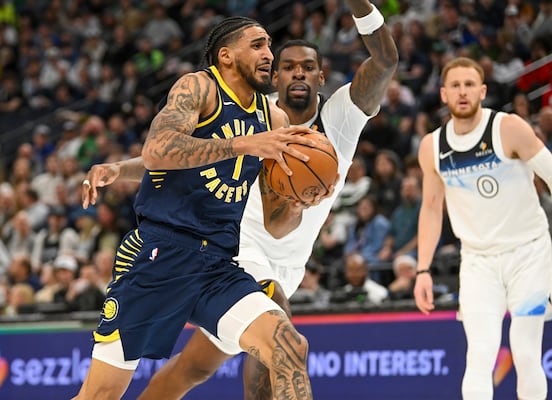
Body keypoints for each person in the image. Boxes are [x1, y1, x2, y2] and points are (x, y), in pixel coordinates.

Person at [81, 2, 398, 399]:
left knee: (283, 347)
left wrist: (301, 196)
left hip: (219, 261)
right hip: (165, 254)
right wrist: (121, 168)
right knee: (102, 395)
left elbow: (276, 216)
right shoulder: (199, 87)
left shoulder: (279, 122)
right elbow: (160, 151)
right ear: (227, 55)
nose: (269, 54)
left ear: (322, 75)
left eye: (270, 46)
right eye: (261, 47)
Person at [413, 56, 552, 400]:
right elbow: (431, 209)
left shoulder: (509, 128)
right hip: (477, 261)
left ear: (483, 90)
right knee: (479, 355)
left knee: (524, 351)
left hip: (529, 252)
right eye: (456, 86)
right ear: (443, 94)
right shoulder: (433, 146)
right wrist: (422, 269)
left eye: (470, 85)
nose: (463, 92)